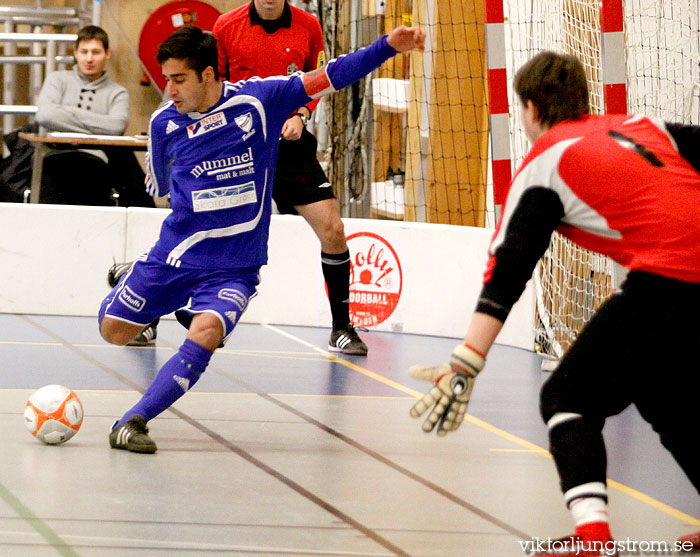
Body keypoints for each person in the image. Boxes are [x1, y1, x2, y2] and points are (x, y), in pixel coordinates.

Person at [409, 51, 700, 557]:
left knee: (567, 399)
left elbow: (509, 271)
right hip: (679, 286)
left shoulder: (544, 162)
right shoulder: (643, 126)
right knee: (662, 396)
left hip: (669, 280)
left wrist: (465, 364)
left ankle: (592, 541)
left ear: (529, 107)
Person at [100, 24, 425, 453]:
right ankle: (138, 277)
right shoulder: (163, 124)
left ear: (210, 74)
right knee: (114, 332)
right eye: (167, 79)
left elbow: (331, 75)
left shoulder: (261, 99)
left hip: (236, 266)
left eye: (179, 79)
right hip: (176, 254)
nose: (171, 90)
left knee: (205, 333)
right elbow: (158, 186)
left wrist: (387, 47)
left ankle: (133, 421)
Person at [212, 0, 368, 356]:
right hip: (241, 147)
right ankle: (167, 314)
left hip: (291, 146)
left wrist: (301, 113)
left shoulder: (309, 26)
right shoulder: (226, 26)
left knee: (332, 228)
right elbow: (215, 86)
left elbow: (317, 80)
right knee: (209, 232)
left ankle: (342, 327)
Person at [35, 25, 154, 208]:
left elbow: (116, 126)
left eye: (96, 52)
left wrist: (66, 112)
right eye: (84, 52)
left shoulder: (117, 92)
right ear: (75, 53)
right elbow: (45, 114)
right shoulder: (57, 79)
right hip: (54, 156)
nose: (89, 58)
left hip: (96, 162)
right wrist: (98, 121)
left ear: (107, 54)